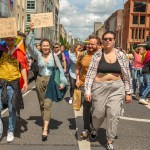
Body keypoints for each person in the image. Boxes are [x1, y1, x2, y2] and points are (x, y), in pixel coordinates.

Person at [85, 31, 132, 150]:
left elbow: (126, 74)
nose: (108, 41)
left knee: (113, 114)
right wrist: (88, 91)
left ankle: (110, 140)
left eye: (110, 39)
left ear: (114, 40)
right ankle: (94, 128)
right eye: (105, 39)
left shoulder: (121, 55)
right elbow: (90, 74)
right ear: (103, 40)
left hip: (117, 87)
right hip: (99, 87)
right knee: (98, 114)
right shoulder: (97, 55)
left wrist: (128, 92)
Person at [26, 23, 67, 141]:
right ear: (41, 47)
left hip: (50, 81)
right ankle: (45, 120)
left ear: (50, 47)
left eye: (47, 45)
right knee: (42, 104)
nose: (45, 47)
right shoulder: (37, 54)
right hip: (39, 80)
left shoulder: (54, 56)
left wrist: (63, 82)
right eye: (43, 45)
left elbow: (60, 70)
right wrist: (31, 31)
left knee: (48, 104)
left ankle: (45, 128)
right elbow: (29, 45)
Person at [0, 37, 28, 143]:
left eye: (11, 40)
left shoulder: (19, 52)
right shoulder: (1, 50)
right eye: (7, 40)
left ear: (14, 40)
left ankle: (10, 131)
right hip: (1, 82)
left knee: (12, 109)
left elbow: (23, 67)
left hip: (13, 84)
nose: (9, 42)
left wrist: (25, 82)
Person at [76, 36, 101, 139]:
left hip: (98, 86)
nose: (89, 46)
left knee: (97, 110)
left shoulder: (102, 55)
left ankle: (94, 127)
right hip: (84, 85)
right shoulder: (83, 54)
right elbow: (78, 66)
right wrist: (77, 78)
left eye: (92, 44)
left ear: (98, 45)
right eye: (89, 44)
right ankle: (87, 128)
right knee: (86, 108)